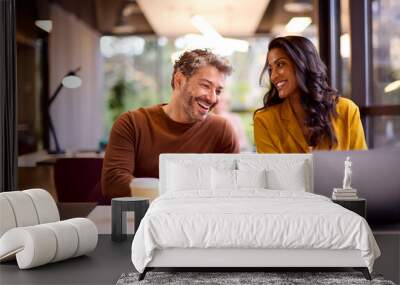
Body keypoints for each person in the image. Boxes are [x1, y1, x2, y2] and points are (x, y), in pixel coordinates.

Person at [102, 49, 239, 198]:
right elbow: (114, 184)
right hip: (143, 219)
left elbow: (232, 187)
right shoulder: (132, 124)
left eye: (218, 91)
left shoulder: (222, 130)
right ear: (179, 80)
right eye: (205, 86)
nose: (213, 99)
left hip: (201, 219)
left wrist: (152, 189)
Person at [253, 36, 368, 153]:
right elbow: (272, 170)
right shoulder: (265, 121)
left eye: (280, 64)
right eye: (271, 69)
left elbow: (361, 167)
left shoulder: (347, 111)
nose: (273, 76)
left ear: (303, 64)